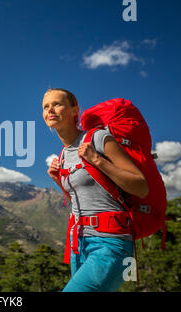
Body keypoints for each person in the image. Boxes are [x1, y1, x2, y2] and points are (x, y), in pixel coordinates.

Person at [42, 88, 148, 292]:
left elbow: (140, 186)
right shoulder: (64, 153)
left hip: (111, 244)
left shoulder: (98, 138)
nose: (50, 110)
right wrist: (59, 181)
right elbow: (90, 197)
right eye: (46, 107)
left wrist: (97, 160)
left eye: (57, 104)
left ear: (75, 110)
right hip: (79, 244)